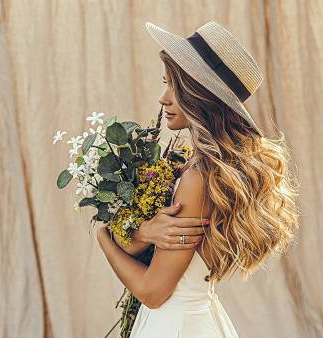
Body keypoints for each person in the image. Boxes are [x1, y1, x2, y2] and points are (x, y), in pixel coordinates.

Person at [96, 21, 300, 337]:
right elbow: (155, 247)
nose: (164, 98)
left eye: (174, 87)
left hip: (176, 324)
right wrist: (145, 231)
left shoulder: (198, 178)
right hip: (194, 316)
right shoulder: (195, 166)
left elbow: (152, 292)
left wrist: (102, 239)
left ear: (199, 95)